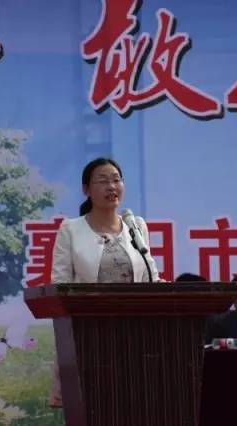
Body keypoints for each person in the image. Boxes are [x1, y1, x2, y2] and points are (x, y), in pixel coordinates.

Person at [49, 157, 160, 407]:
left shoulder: (136, 226)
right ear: (86, 190)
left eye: (116, 180)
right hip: (88, 335)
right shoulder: (71, 229)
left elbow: (149, 276)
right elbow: (60, 286)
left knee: (134, 404)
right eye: (103, 181)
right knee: (94, 405)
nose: (112, 186)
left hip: (135, 334)